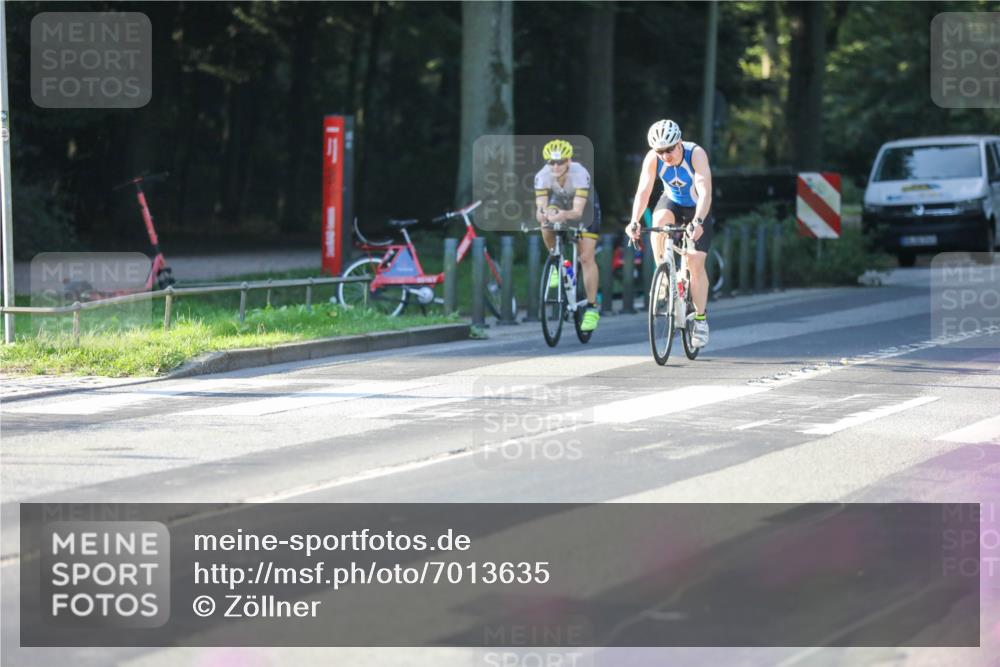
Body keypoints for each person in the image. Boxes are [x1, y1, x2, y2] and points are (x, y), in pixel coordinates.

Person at [626, 120, 714, 348]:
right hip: (672, 202)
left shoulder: (695, 154)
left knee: (695, 263)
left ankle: (701, 319)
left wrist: (699, 221)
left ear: (680, 142)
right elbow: (643, 191)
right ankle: (664, 273)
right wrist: (634, 221)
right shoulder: (653, 158)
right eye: (660, 151)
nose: (665, 155)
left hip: (697, 207)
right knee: (658, 221)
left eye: (670, 150)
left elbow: (705, 191)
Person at [534, 138, 602, 332]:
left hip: (585, 206)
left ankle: (591, 308)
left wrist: (562, 216)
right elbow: (541, 207)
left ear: (569, 161)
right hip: (560, 199)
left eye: (560, 162)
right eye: (551, 162)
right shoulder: (542, 176)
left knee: (586, 256)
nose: (555, 166)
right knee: (547, 222)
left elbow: (577, 212)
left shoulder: (580, 174)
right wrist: (543, 215)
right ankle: (556, 261)